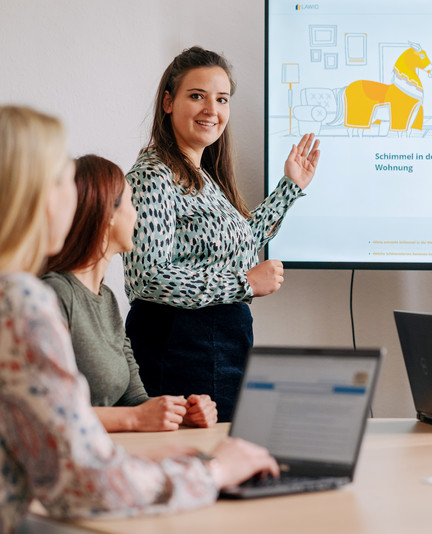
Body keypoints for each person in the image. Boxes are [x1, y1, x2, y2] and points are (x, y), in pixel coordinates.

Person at [0, 105, 279, 532]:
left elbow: (114, 417)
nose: (71, 197)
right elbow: (87, 483)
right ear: (29, 193)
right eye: (61, 181)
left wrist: (170, 419)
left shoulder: (96, 300)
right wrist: (212, 472)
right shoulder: (22, 303)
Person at [123, 46, 320, 421]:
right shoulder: (153, 176)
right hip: (182, 349)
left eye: (221, 99)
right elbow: (148, 278)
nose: (211, 110)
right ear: (168, 102)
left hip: (220, 347)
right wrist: (244, 284)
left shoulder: (203, 176)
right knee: (201, 461)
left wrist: (289, 188)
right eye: (196, 96)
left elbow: (238, 242)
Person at [43, 154, 217, 432]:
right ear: (107, 215)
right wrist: (135, 419)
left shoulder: (108, 298)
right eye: (131, 202)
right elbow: (47, 411)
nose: (138, 213)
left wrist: (181, 413)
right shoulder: (53, 294)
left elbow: (134, 400)